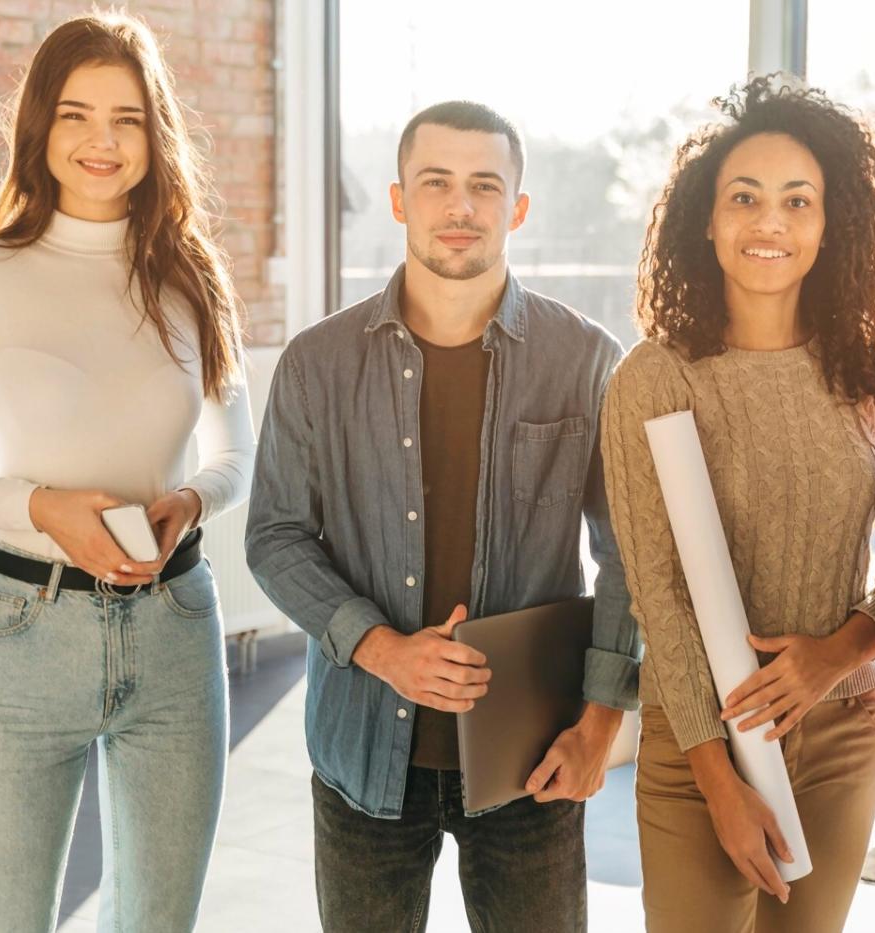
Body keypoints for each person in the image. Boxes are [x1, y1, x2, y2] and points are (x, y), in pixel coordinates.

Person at [0, 12, 254, 931]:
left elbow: (234, 452)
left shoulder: (192, 274)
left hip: (175, 626)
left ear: (154, 136)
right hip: (26, 632)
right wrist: (39, 506)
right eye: (76, 114)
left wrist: (189, 501)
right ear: (39, 126)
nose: (101, 141)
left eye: (127, 118)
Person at [244, 100, 640, 933]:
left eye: (484, 185)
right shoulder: (317, 363)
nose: (460, 206)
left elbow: (627, 555)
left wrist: (601, 721)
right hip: (362, 753)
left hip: (532, 755)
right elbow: (275, 535)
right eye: (435, 182)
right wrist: (381, 649)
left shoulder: (586, 359)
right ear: (399, 200)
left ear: (516, 208)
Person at [600, 75, 875, 933]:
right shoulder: (652, 378)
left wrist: (838, 653)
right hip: (698, 740)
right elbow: (658, 592)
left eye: (797, 201)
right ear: (706, 221)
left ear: (829, 223)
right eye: (743, 198)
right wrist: (718, 778)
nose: (769, 222)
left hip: (844, 730)